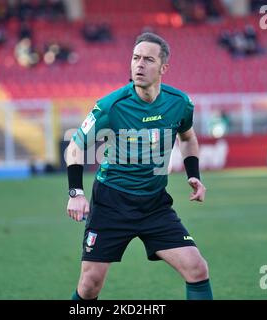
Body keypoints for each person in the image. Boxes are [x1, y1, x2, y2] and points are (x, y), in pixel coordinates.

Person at [65, 32, 212, 300]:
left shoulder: (179, 103)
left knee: (197, 268)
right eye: (135, 58)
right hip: (111, 203)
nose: (139, 65)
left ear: (163, 68)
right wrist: (76, 192)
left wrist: (195, 176)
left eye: (147, 59)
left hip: (154, 205)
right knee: (90, 284)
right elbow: (74, 147)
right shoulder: (111, 105)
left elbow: (188, 138)